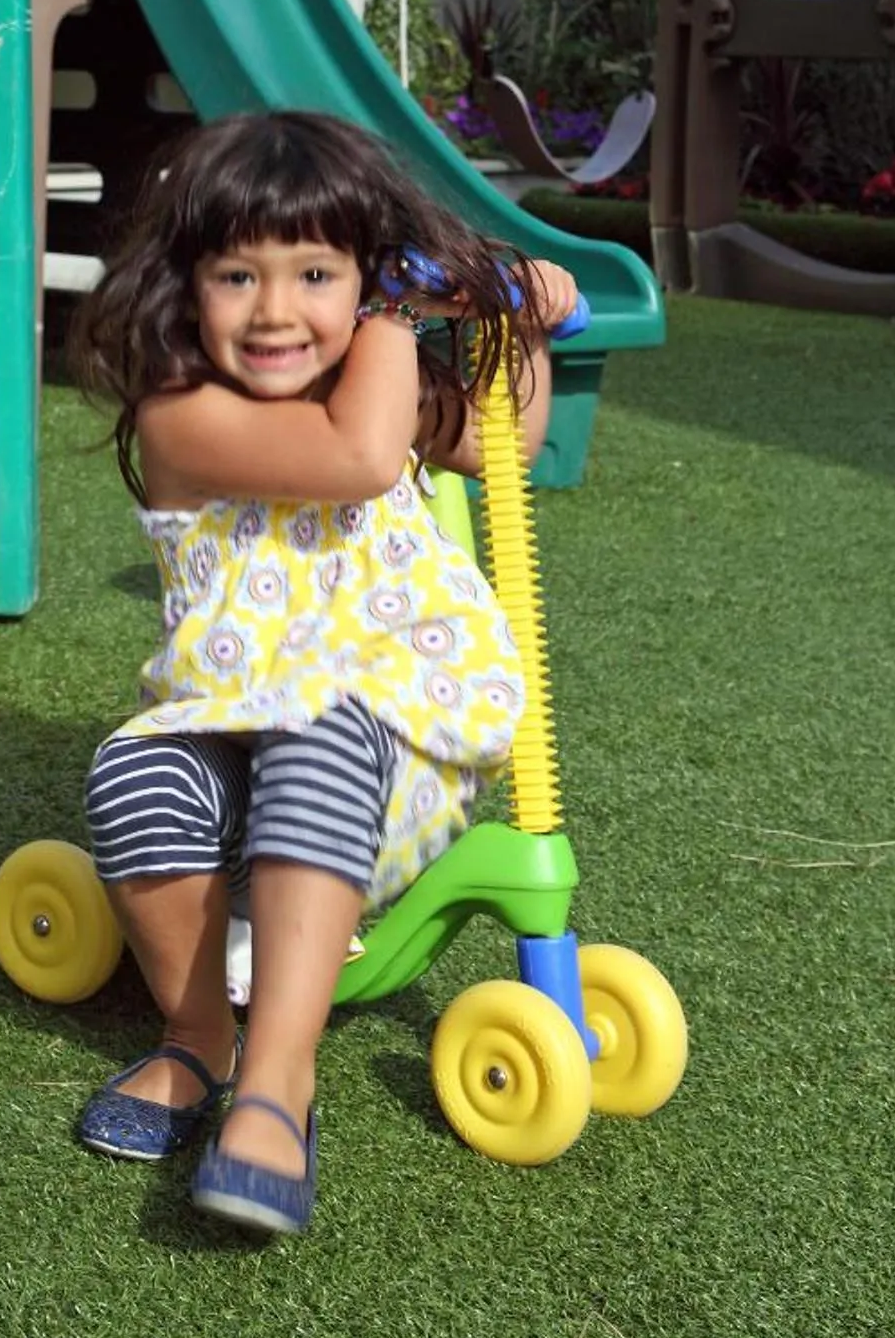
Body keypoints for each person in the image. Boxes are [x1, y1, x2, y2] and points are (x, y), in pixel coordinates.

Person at [67, 109, 579, 1237]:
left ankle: (276, 1086)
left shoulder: (377, 390)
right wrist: (400, 307)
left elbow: (509, 437)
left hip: (385, 776)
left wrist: (514, 319)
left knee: (321, 727)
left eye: (315, 273)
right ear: (186, 287)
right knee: (132, 775)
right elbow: (352, 462)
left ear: (355, 279)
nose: (276, 310)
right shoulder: (182, 416)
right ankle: (198, 1040)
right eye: (237, 276)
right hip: (234, 764)